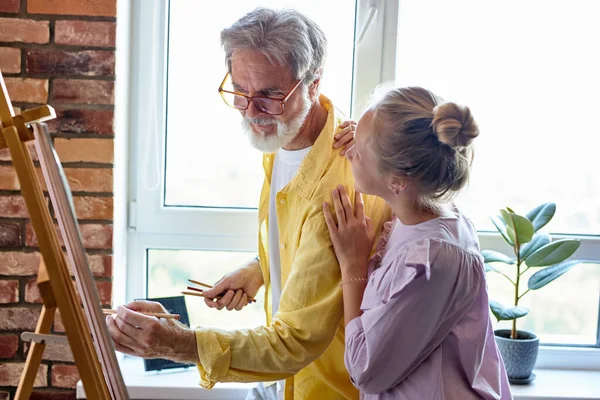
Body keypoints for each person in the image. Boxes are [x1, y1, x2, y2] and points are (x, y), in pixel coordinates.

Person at [106, 7, 389, 400]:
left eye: (270, 95)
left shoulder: (341, 185)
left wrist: (177, 344)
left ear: (313, 83)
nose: (252, 111)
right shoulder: (283, 142)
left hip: (325, 388)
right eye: (240, 90)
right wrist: (261, 268)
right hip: (281, 382)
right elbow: (309, 246)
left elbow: (293, 343)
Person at [323, 86, 513, 399]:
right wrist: (372, 141)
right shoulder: (424, 211)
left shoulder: (433, 262)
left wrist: (353, 265)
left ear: (398, 180)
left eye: (359, 147)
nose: (349, 151)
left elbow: (365, 371)